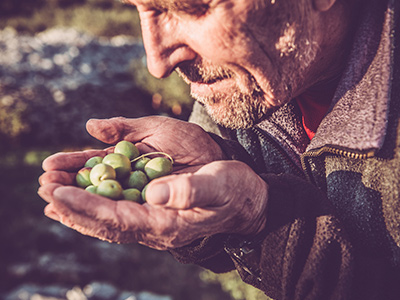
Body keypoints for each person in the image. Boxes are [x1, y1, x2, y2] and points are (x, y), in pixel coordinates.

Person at [38, 0, 400, 299]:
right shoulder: (245, 87)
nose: (157, 62)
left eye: (191, 8)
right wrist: (236, 194)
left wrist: (262, 217)